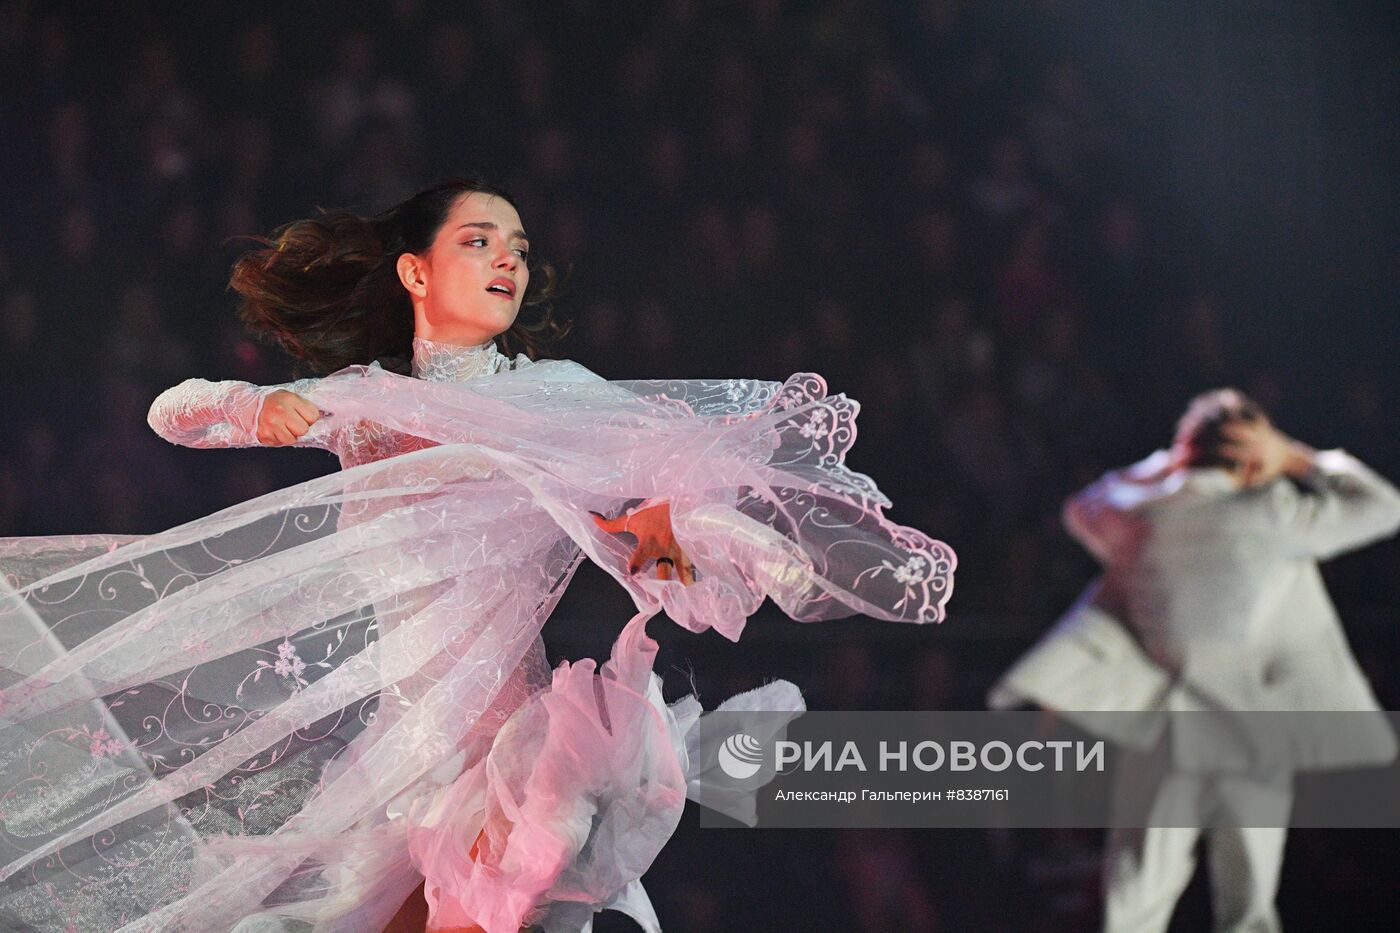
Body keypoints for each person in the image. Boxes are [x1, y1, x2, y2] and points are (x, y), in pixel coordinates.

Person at [0, 178, 955, 932]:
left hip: (517, 753)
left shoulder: (552, 397)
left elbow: (639, 519)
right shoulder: (368, 400)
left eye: (519, 248)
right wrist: (253, 404)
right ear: (415, 272)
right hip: (395, 759)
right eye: (479, 239)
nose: (509, 259)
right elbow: (172, 412)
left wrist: (747, 551)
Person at [991, 388, 1400, 933]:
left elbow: (1080, 508)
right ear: (1255, 454)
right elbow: (1386, 509)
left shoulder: (1137, 516)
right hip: (1251, 733)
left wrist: (1171, 463)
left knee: (1135, 905)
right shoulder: (1273, 511)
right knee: (1249, 909)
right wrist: (1295, 457)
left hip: (1165, 732)